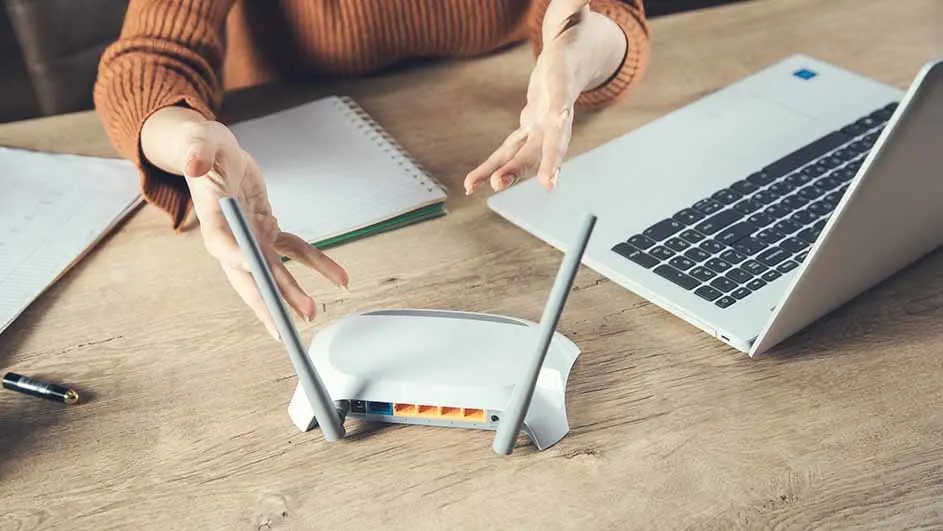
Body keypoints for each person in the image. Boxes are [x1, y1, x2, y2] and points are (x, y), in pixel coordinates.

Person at [94, 0, 650, 341]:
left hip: (493, 135)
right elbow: (149, 61)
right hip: (308, 153)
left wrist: (572, 56)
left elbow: (608, 15)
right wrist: (190, 140)